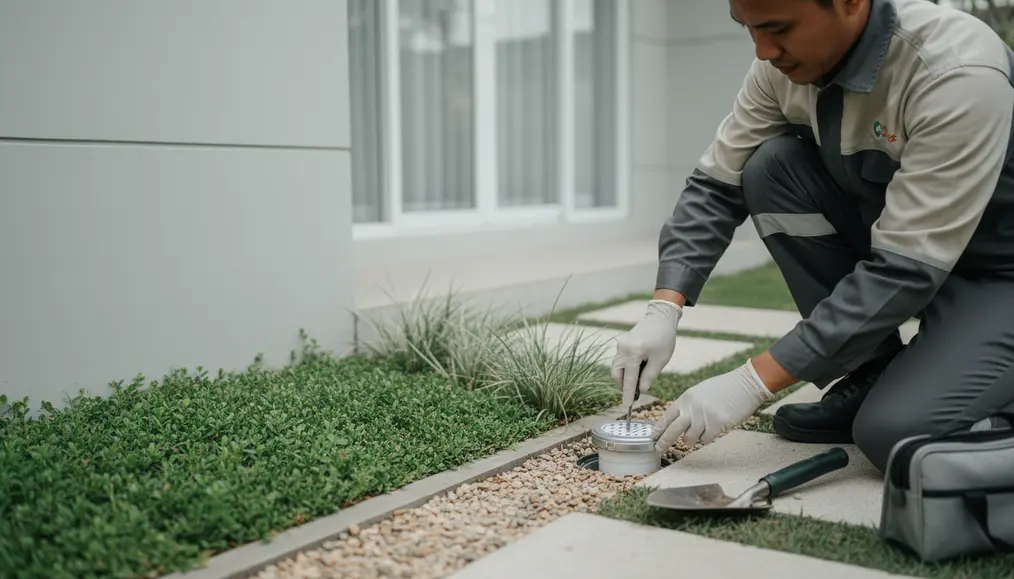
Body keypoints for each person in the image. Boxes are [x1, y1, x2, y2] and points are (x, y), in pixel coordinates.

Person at [611, 0, 1014, 473]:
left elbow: (903, 271)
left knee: (892, 434)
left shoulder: (954, 71)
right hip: (913, 253)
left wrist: (751, 382)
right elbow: (716, 186)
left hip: (996, 274)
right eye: (749, 29)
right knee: (770, 169)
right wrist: (664, 308)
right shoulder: (781, 70)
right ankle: (873, 370)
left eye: (778, 28)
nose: (762, 51)